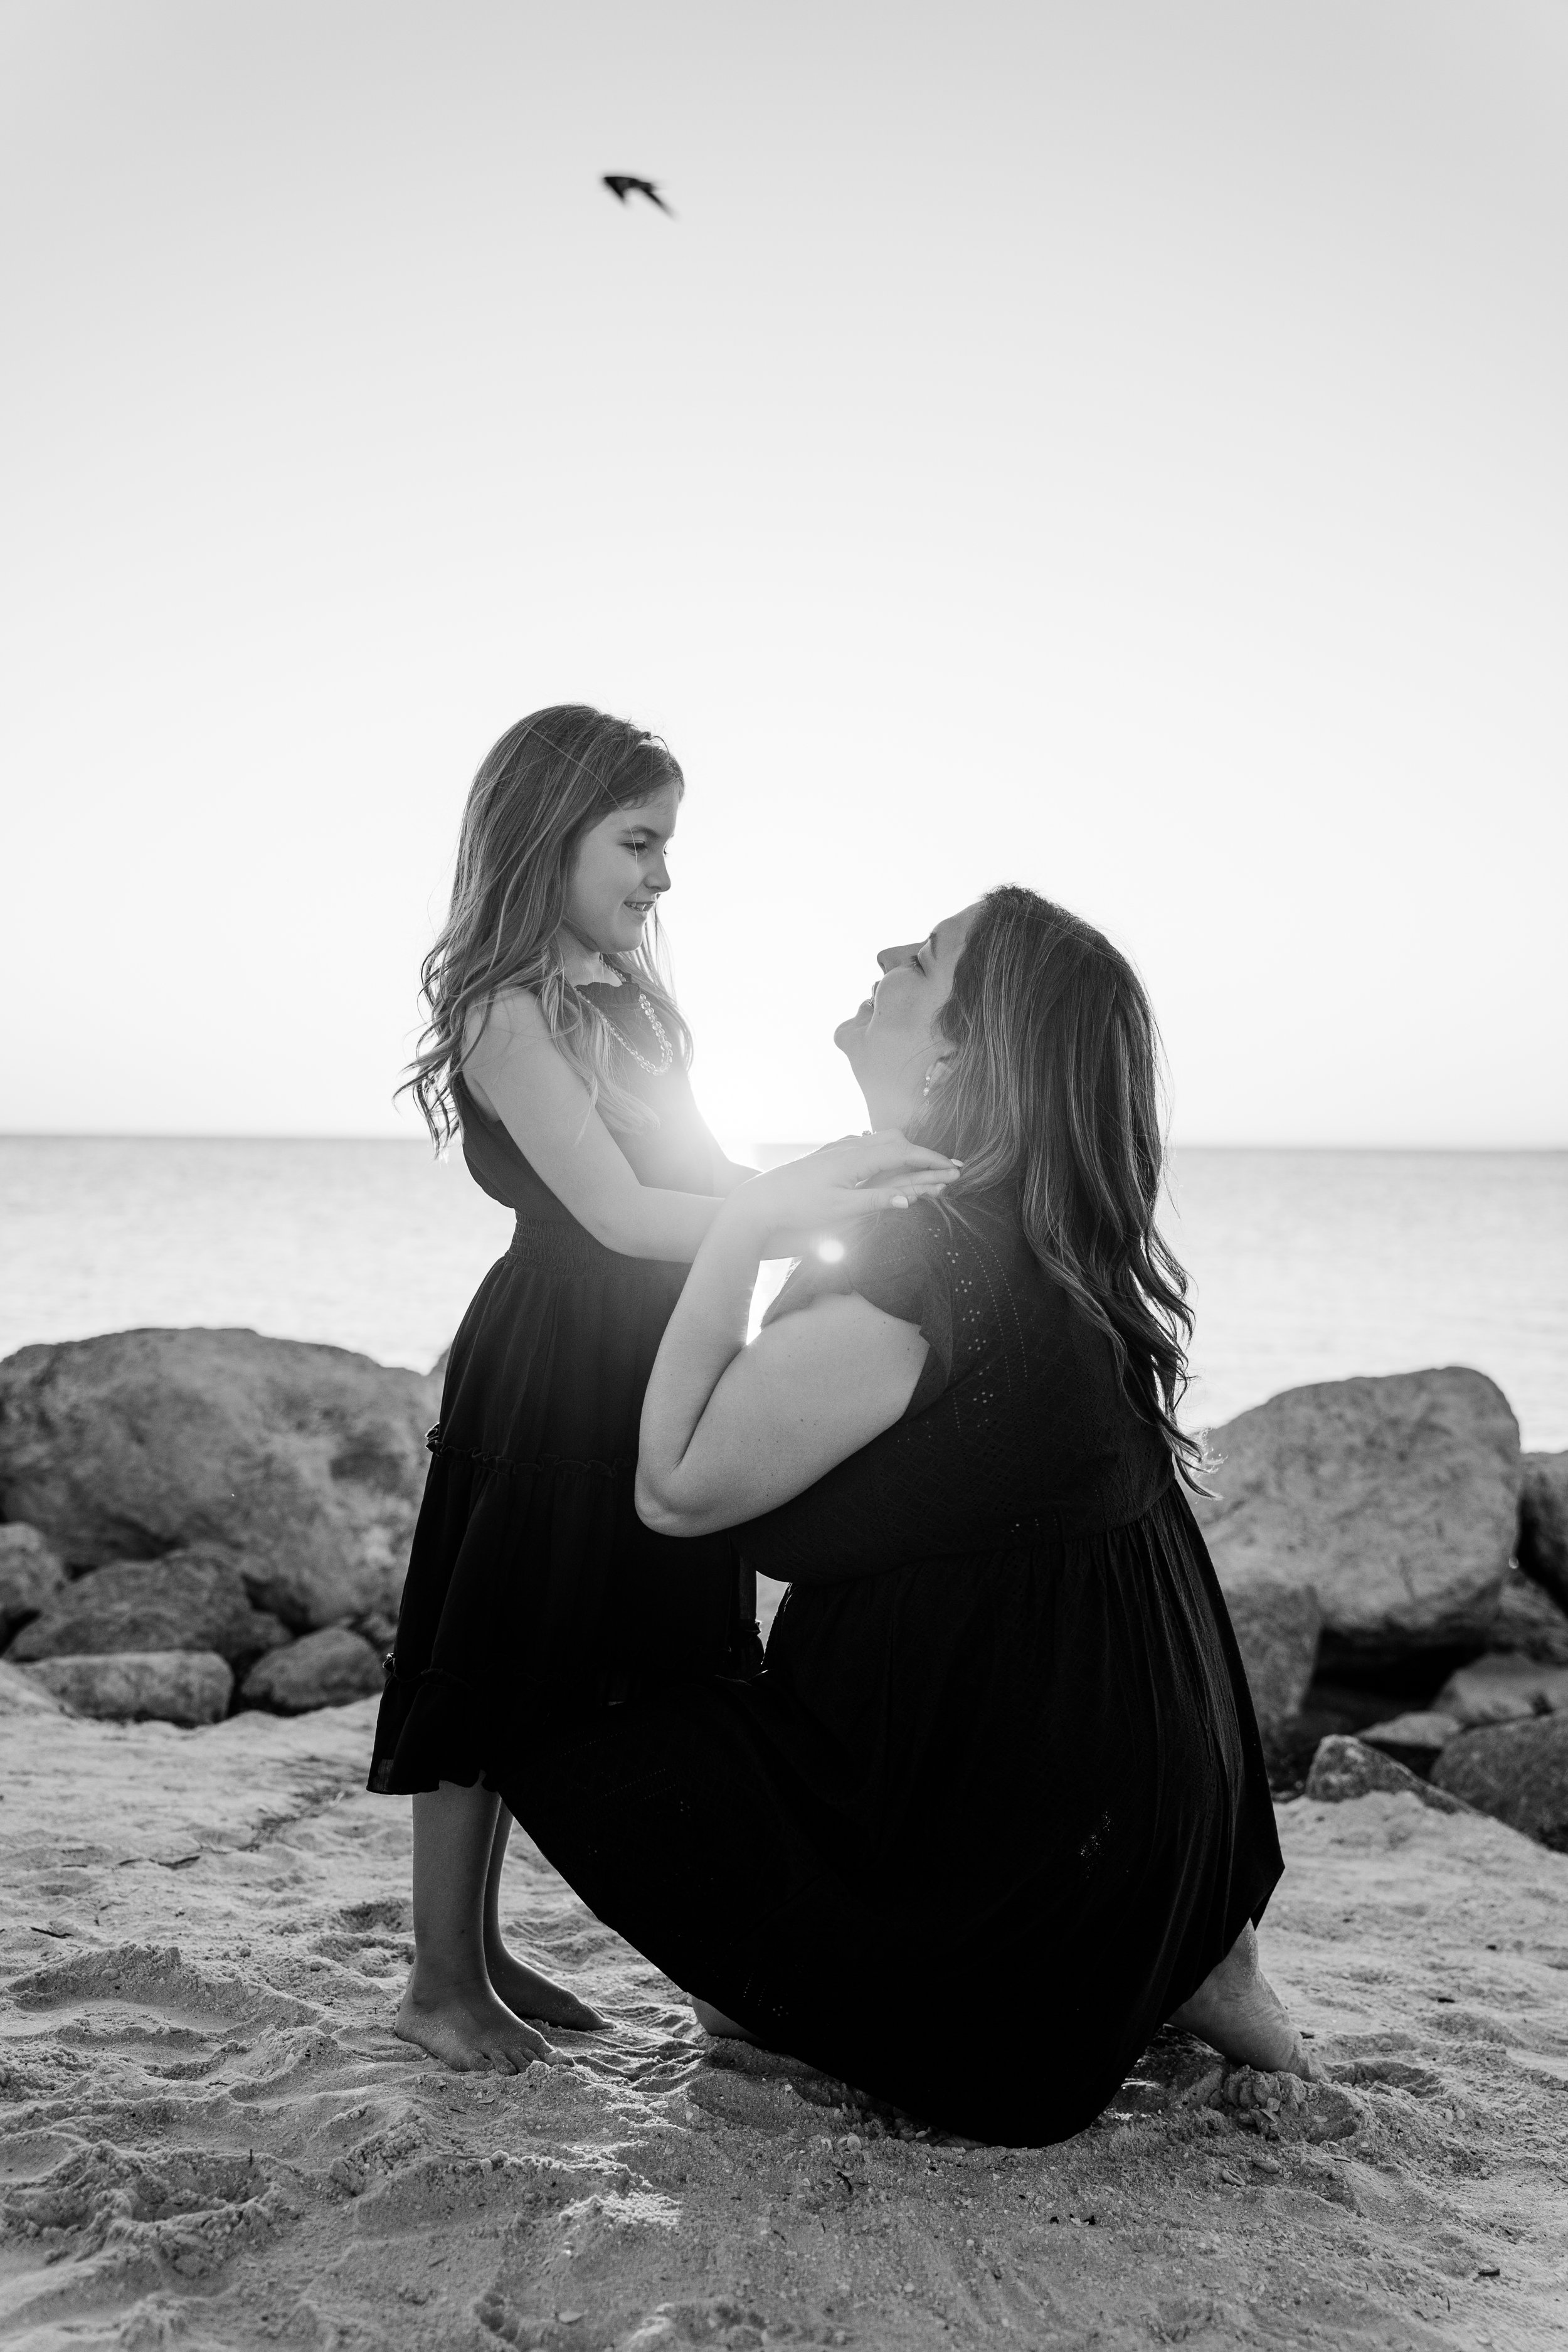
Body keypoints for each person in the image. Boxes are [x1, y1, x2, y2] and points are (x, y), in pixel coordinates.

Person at [492, 886, 1316, 2144]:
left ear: (957, 1052)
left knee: (539, 1693)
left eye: (922, 959)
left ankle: (880, 1994)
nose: (883, 953)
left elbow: (675, 1485)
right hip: (1162, 1838)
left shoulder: (924, 1263)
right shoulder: (1057, 1253)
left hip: (1010, 1878)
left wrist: (750, 1226)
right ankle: (1196, 1964)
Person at [368, 706, 827, 2073]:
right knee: (493, 1651)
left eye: (665, 844)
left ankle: (487, 1948)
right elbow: (625, 1213)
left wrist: (824, 1201)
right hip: (557, 1361)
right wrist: (798, 1218)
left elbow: (697, 1180)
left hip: (652, 1348)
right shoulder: (505, 1012)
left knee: (592, 1647)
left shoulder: (625, 1002)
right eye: (638, 842)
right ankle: (438, 1977)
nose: (662, 877)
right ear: (542, 840)